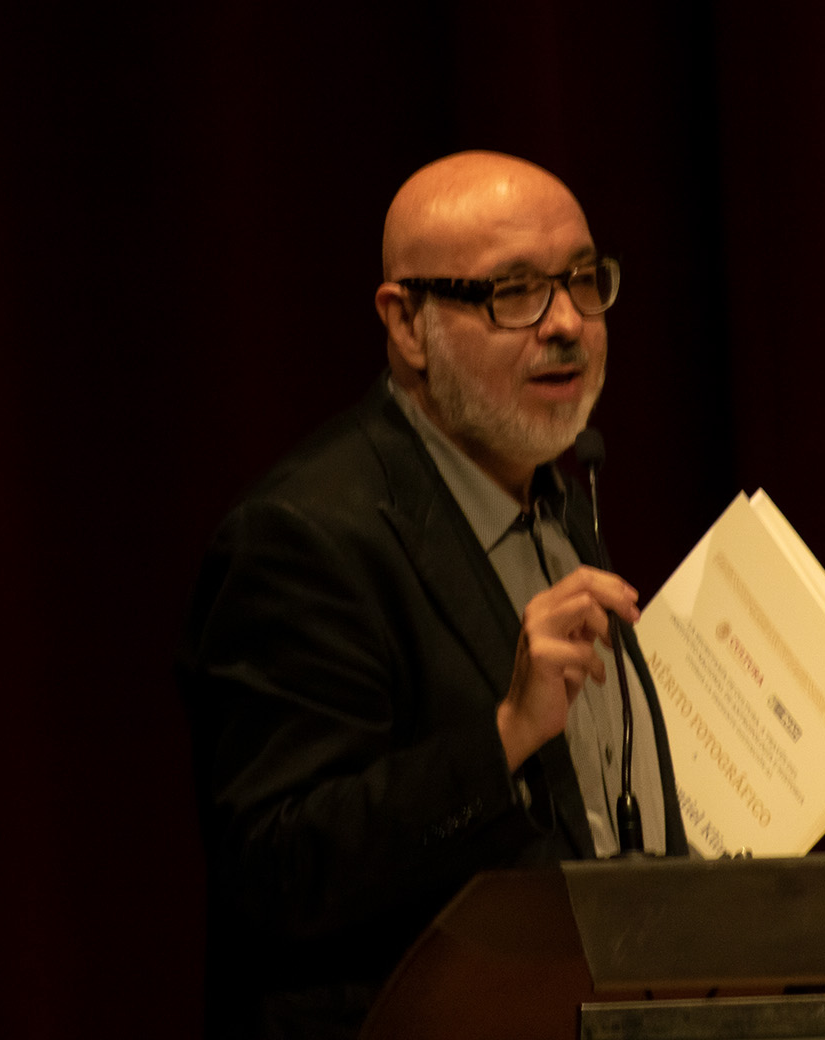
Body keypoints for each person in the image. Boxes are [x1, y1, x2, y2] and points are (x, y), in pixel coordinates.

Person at [178, 151, 687, 1040]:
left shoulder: (559, 501)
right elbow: (277, 869)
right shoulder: (305, 536)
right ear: (407, 324)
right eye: (515, 292)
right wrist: (502, 740)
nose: (567, 322)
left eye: (581, 280)